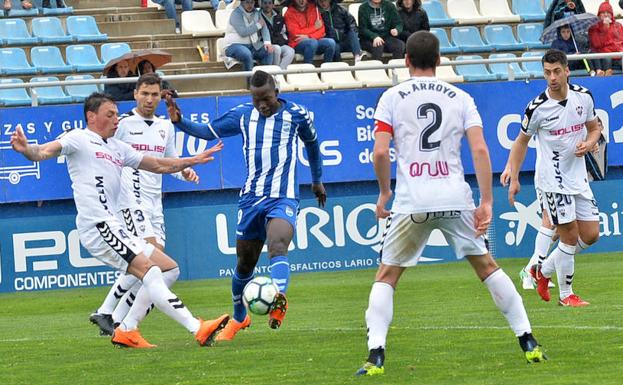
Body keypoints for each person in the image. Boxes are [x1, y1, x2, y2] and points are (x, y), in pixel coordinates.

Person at [356, 31, 545, 377]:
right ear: (440, 60)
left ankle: (376, 355)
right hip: (454, 197)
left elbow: (381, 151)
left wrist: (384, 193)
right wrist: (486, 200)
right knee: (487, 267)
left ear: (407, 60)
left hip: (412, 201)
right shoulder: (460, 97)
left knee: (387, 275)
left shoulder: (391, 97)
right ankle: (528, 340)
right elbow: (480, 150)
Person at [11, 92, 229, 348]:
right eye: (110, 115)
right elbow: (43, 151)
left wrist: (191, 160)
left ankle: (127, 329)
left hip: (115, 227)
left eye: (116, 114)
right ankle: (196, 327)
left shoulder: (117, 147)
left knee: (170, 269)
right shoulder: (78, 138)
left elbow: (158, 164)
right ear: (92, 117)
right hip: (98, 226)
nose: (117, 120)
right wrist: (27, 150)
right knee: (150, 271)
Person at [164, 70, 327, 340]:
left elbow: (312, 144)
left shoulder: (297, 115)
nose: (262, 105)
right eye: (256, 100)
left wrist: (317, 180)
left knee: (278, 245)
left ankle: (278, 299)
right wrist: (180, 121)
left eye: (266, 99)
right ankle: (239, 318)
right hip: (251, 198)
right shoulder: (242, 115)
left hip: (282, 196)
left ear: (277, 92)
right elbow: (207, 132)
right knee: (244, 264)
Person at [89, 74, 199, 336]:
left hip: (154, 204)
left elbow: (169, 161)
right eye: (145, 94)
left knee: (151, 268)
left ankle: (112, 319)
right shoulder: (124, 123)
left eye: (155, 94)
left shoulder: (165, 127)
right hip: (129, 201)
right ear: (136, 94)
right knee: (152, 264)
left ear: (161, 96)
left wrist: (184, 171)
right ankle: (115, 317)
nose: (150, 99)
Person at [505, 49, 601, 307]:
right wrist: (513, 176)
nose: (552, 77)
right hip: (553, 180)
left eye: (557, 71)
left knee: (591, 234)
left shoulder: (584, 96)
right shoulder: (537, 108)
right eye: (547, 73)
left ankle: (543, 269)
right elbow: (521, 142)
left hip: (578, 178)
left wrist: (590, 143)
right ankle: (566, 294)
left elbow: (595, 128)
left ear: (567, 70)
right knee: (568, 236)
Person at [224, 0, 273, 72]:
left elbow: (264, 27)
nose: (250, 5)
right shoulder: (236, 13)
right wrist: (258, 25)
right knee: (246, 54)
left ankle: (264, 78)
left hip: (252, 45)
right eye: (247, 2)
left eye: (252, 2)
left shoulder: (256, 12)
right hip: (233, 46)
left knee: (268, 51)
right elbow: (243, 32)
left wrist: (267, 42)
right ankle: (250, 82)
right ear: (242, 2)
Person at [588, 0, 623, 76]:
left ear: (612, 14)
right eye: (603, 13)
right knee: (607, 59)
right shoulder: (594, 27)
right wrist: (604, 29)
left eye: (608, 12)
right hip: (605, 56)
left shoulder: (618, 25)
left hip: (619, 54)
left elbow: (621, 40)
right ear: (599, 14)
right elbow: (597, 45)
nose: (606, 15)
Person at [260, 0, 295, 69]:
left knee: (290, 51)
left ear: (273, 5)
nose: (267, 5)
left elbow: (283, 32)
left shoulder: (279, 17)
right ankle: (275, 71)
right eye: (265, 3)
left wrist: (284, 41)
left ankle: (280, 72)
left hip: (278, 42)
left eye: (270, 3)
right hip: (265, 44)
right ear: (261, 4)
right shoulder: (258, 16)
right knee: (277, 49)